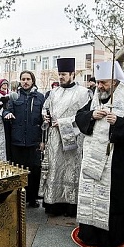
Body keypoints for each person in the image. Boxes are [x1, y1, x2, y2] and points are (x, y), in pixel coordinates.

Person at [74, 61, 124, 247]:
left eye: (103, 83)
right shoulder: (96, 96)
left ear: (115, 81)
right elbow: (79, 116)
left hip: (116, 162)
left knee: (115, 199)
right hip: (92, 160)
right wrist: (91, 115)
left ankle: (112, 237)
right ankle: (89, 233)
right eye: (98, 82)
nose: (99, 86)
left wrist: (119, 122)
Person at [39, 58, 91, 217]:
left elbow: (85, 116)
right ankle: (53, 204)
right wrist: (45, 117)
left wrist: (61, 122)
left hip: (73, 138)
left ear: (72, 74)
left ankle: (71, 206)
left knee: (71, 170)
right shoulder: (54, 92)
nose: (60, 77)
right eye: (59, 74)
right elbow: (45, 108)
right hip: (54, 138)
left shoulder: (83, 93)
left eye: (64, 74)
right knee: (55, 169)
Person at [3, 71, 45, 207]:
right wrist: (8, 113)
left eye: (28, 79)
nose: (25, 81)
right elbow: (6, 110)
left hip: (33, 141)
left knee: (34, 171)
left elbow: (44, 118)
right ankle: (19, 198)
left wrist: (42, 140)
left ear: (33, 81)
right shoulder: (14, 97)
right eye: (23, 79)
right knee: (18, 171)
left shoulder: (39, 97)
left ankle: (33, 198)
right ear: (20, 81)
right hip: (18, 140)